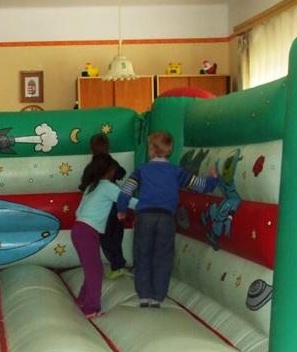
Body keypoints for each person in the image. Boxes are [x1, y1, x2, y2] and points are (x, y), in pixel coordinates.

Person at [117, 130, 218, 308]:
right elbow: (200, 185)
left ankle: (144, 296)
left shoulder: (142, 170)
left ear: (151, 151)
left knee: (142, 254)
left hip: (145, 217)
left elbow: (126, 191)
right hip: (165, 218)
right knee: (163, 256)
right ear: (169, 151)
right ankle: (157, 297)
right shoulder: (176, 171)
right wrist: (213, 180)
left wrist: (121, 210)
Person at [72, 153, 137, 318]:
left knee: (92, 268)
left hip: (78, 229)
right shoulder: (108, 187)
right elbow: (127, 201)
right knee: (95, 270)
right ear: (111, 170)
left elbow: (78, 212)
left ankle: (83, 299)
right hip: (87, 232)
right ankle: (91, 309)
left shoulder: (91, 186)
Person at [79, 134, 128, 280]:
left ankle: (118, 264)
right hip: (117, 206)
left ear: (91, 151)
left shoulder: (91, 167)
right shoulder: (113, 164)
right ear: (109, 150)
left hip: (103, 210)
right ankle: (118, 264)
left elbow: (84, 186)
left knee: (104, 237)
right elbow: (122, 173)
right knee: (116, 236)